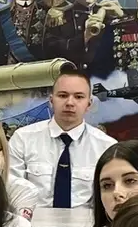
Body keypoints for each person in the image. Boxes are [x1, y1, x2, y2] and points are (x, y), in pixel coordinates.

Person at [6, 70, 109, 210]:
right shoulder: (22, 139)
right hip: (32, 222)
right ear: (51, 100)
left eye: (79, 97)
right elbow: (12, 192)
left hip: (86, 223)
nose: (70, 102)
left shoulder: (106, 146)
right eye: (63, 95)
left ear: (89, 104)